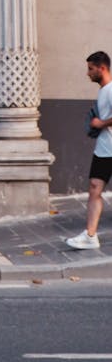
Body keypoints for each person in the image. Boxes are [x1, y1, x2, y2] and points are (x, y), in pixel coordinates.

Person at [66, 50, 112, 250]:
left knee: (95, 189)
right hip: (104, 148)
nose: (88, 73)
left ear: (102, 68)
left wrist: (100, 122)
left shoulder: (111, 90)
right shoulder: (103, 91)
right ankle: (90, 236)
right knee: (94, 188)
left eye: (91, 69)